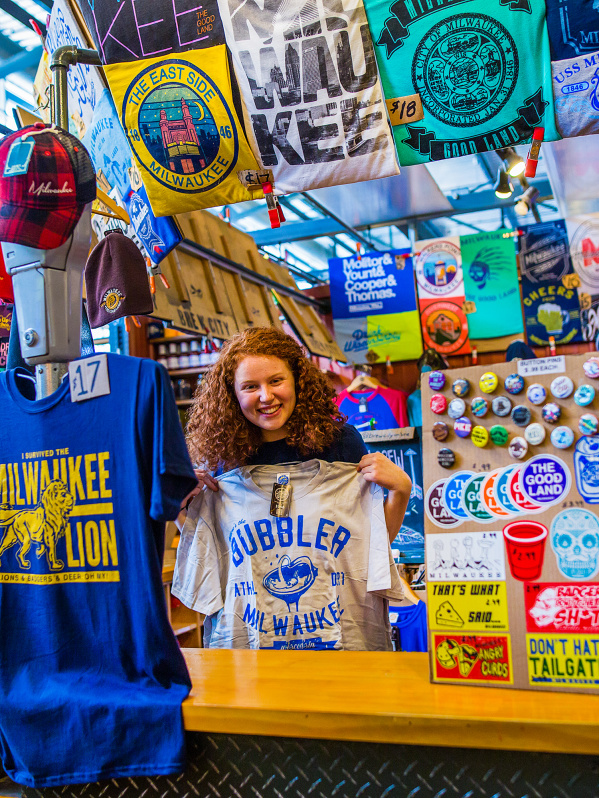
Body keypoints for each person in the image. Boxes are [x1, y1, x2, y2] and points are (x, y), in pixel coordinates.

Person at [182, 327, 412, 542]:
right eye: (250, 386)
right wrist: (179, 507)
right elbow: (209, 549)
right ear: (232, 394)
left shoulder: (340, 442)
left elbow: (371, 546)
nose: (266, 396)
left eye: (275, 381)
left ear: (297, 381)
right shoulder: (222, 457)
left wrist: (400, 490)